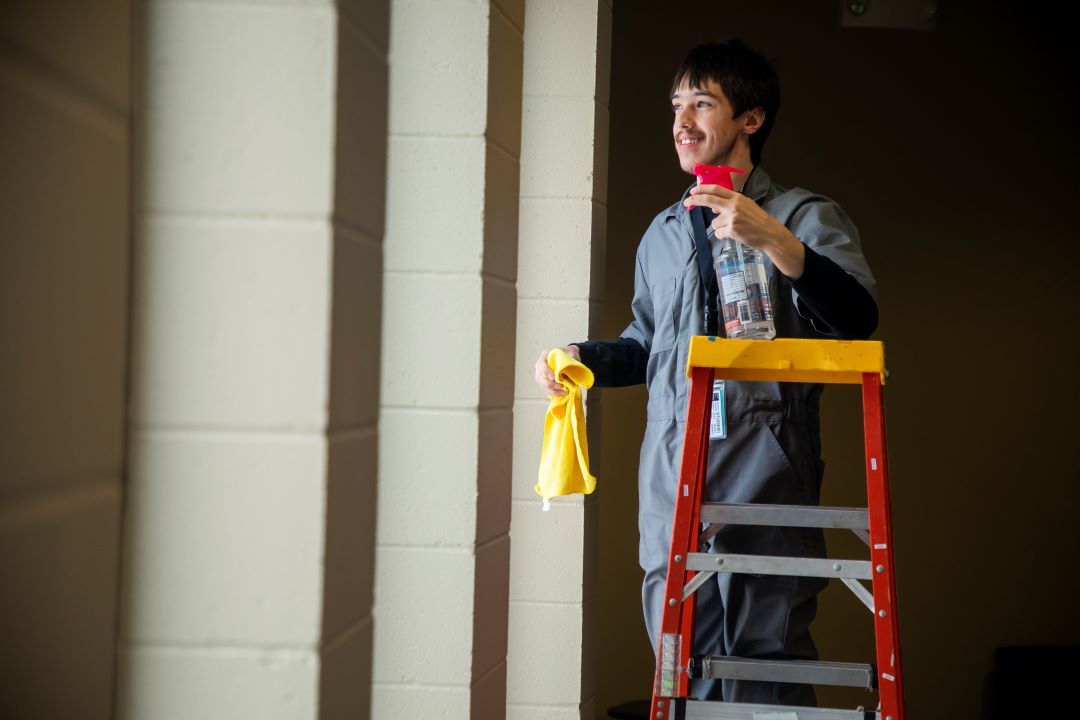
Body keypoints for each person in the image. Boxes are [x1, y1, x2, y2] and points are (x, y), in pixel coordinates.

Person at [532, 39, 878, 706]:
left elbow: (857, 318)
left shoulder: (804, 216)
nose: (681, 123)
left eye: (701, 103)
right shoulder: (662, 232)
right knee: (677, 646)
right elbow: (648, 343)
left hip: (766, 454)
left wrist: (771, 238)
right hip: (671, 462)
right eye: (675, 106)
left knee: (763, 650)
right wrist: (586, 359)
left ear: (751, 119)